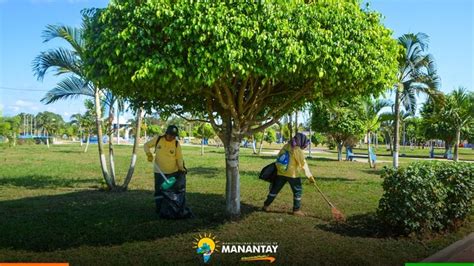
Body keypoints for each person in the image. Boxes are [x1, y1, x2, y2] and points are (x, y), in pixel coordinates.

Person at [144, 125, 191, 218]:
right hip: (159, 171)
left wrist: (181, 168)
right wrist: (148, 154)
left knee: (170, 192)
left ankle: (170, 209)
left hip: (172, 172)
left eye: (174, 136)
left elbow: (179, 158)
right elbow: (146, 145)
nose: (172, 137)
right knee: (159, 191)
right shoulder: (158, 139)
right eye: (170, 135)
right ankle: (159, 209)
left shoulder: (176, 144)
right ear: (166, 133)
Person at [262, 133, 315, 216]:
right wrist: (309, 176)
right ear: (301, 141)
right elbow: (303, 164)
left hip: (281, 173)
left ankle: (266, 205)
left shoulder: (286, 146)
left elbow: (278, 157)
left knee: (275, 189)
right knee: (297, 191)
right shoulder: (297, 150)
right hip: (293, 175)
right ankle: (296, 210)